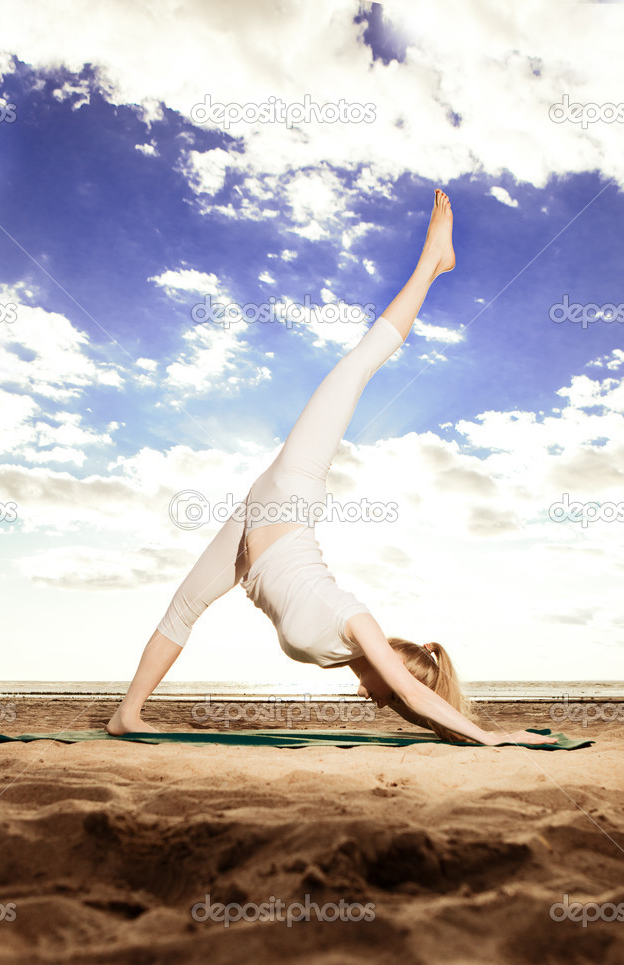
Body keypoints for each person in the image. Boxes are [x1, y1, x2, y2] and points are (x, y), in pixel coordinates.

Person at [107, 189, 556, 747]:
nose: (379, 699)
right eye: (387, 691)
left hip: (255, 536)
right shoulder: (357, 622)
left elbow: (418, 704)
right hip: (291, 498)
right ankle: (433, 262)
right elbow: (415, 694)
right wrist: (493, 741)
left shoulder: (341, 656)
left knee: (184, 606)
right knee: (359, 365)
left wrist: (455, 728)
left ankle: (126, 714)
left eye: (385, 699)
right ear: (392, 662)